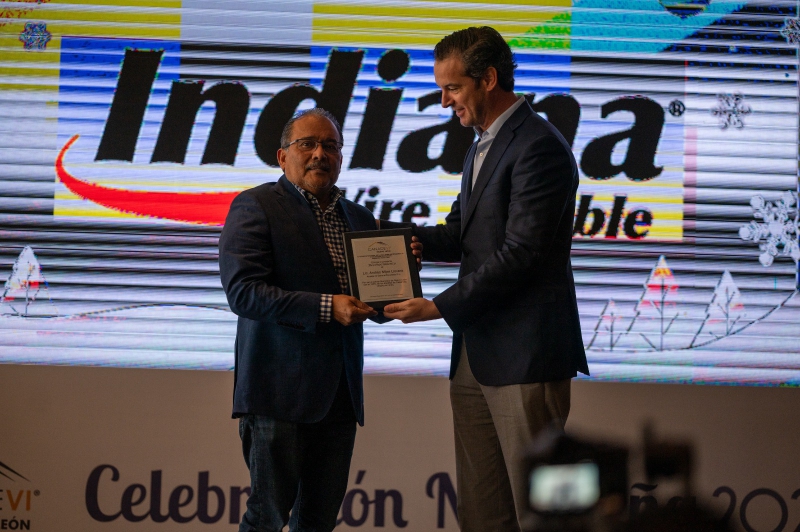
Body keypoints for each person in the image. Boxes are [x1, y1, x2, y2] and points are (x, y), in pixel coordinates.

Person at [383, 27, 590, 531]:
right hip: (476, 356)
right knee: (482, 515)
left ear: (489, 79)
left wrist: (438, 306)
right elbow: (461, 234)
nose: (444, 101)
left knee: (544, 517)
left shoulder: (538, 146)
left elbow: (521, 254)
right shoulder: (482, 145)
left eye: (452, 88)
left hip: (526, 356)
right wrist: (396, 243)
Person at [219, 108, 397, 532]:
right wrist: (326, 307)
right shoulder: (256, 205)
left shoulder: (359, 217)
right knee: (266, 519)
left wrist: (399, 279)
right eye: (308, 144)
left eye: (330, 146)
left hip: (340, 396)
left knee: (318, 523)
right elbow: (244, 292)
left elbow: (374, 305)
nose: (320, 154)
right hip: (278, 394)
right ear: (282, 156)